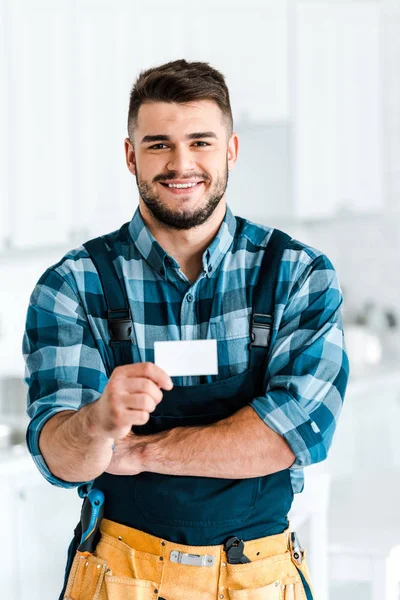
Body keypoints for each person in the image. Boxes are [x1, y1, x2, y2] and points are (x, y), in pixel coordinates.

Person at [23, 59, 349, 600]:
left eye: (200, 142)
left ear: (231, 151)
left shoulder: (298, 276)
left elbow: (288, 436)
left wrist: (140, 452)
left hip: (257, 579)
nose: (181, 164)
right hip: (116, 577)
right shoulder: (73, 285)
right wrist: (97, 425)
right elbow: (59, 457)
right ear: (130, 156)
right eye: (158, 144)